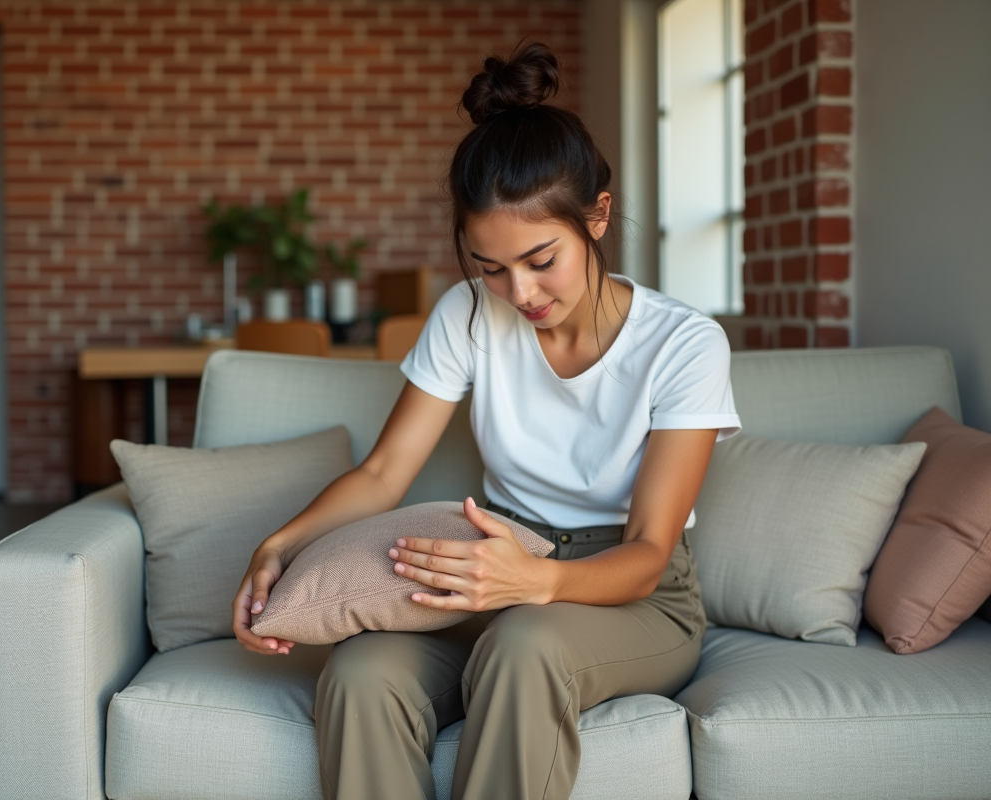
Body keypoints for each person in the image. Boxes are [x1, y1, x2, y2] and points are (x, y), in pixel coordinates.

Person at [232, 41, 741, 800]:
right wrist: (277, 546)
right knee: (363, 672)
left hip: (631, 594)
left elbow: (646, 552)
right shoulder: (466, 316)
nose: (520, 293)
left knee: (526, 645)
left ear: (598, 216)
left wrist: (537, 581)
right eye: (491, 267)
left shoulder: (685, 344)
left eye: (541, 260)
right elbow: (383, 473)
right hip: (495, 563)